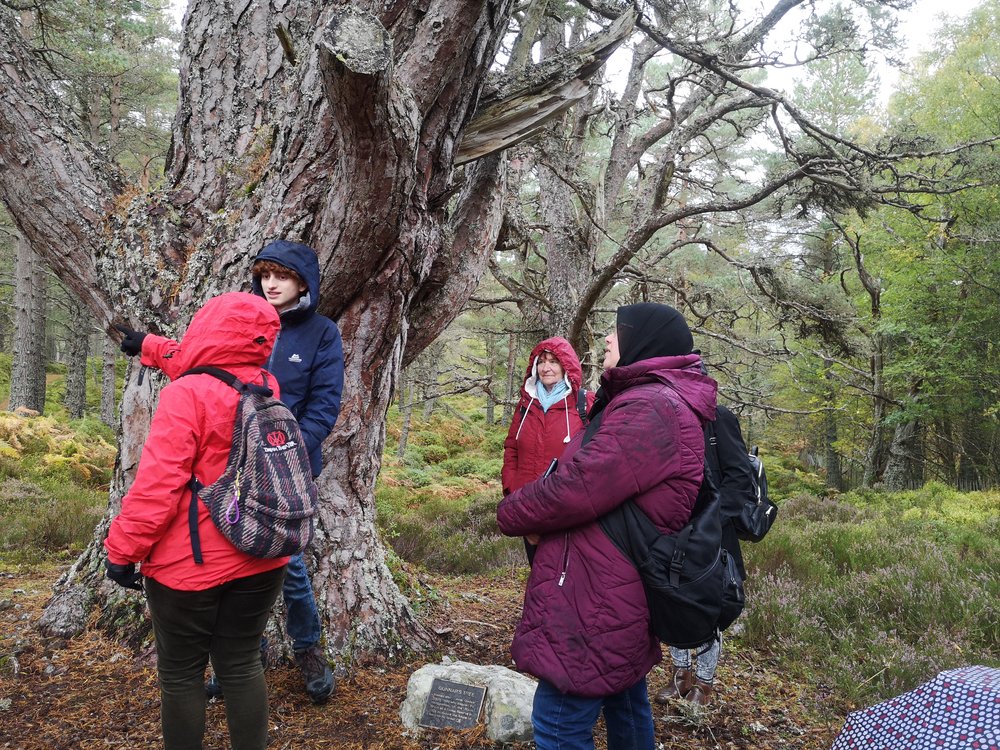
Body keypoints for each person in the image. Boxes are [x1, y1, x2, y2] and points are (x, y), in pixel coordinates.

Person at [117, 239, 344, 705]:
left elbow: (325, 404)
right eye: (265, 275)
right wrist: (152, 346)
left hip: (283, 471)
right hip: (223, 477)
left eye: (282, 276)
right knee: (228, 562)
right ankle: (242, 658)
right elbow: (200, 361)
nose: (271, 284)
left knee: (289, 566)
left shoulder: (321, 333)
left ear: (304, 283)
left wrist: (280, 453)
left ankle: (307, 650)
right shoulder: (240, 321)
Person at [497, 302, 717, 750]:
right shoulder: (646, 400)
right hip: (614, 585)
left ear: (643, 341)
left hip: (595, 593)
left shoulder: (650, 408)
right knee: (624, 696)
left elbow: (579, 485)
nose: (607, 340)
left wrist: (512, 513)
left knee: (558, 726)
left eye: (617, 332)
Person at [105, 292, 287, 750]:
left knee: (181, 675)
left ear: (204, 328)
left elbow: (156, 488)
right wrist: (149, 346)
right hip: (263, 554)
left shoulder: (186, 395)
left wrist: (122, 552)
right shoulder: (267, 385)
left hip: (191, 566)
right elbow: (208, 366)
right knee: (242, 664)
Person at [654, 391, 756, 712]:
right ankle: (680, 673)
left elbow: (740, 478)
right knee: (672, 598)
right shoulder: (664, 420)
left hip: (713, 537)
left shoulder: (719, 419)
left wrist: (712, 519)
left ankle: (704, 683)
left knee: (709, 606)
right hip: (674, 531)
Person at [501, 337, 594, 564]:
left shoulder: (584, 404)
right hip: (529, 507)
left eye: (553, 361)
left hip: (569, 512)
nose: (546, 367)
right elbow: (512, 448)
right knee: (538, 574)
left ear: (566, 366)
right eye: (541, 362)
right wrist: (513, 491)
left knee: (566, 578)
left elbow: (596, 454)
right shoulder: (526, 405)